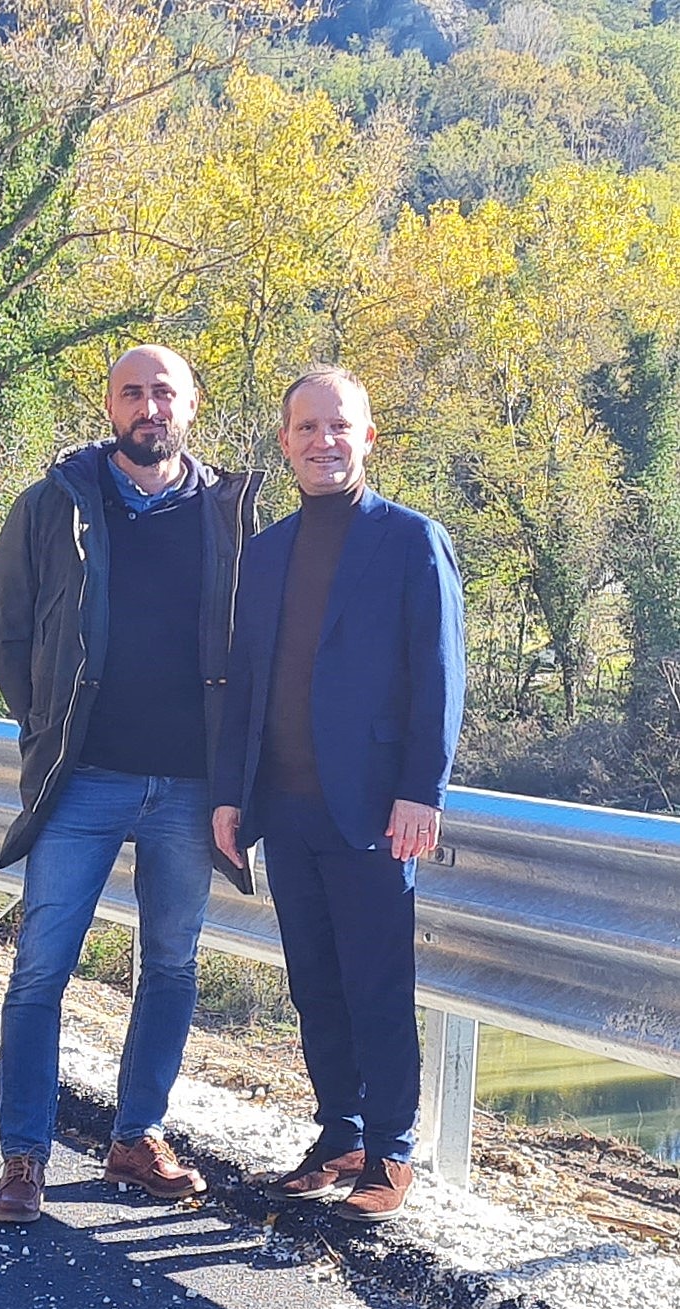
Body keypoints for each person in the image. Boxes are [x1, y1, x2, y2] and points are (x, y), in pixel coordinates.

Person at [0, 345, 261, 1224]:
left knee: (171, 967)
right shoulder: (53, 505)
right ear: (109, 405)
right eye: (133, 392)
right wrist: (48, 728)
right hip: (83, 780)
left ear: (191, 405)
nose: (149, 407)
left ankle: (136, 1138)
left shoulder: (228, 516)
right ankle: (23, 1154)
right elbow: (6, 633)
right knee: (40, 968)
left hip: (189, 784)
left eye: (164, 392)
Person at [211, 365, 466, 1224]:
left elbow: (438, 674)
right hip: (285, 809)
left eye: (339, 426)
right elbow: (246, 681)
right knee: (314, 984)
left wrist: (420, 791)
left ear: (368, 437)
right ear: (285, 441)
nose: (324, 441)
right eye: (307, 427)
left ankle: (391, 1151)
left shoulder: (409, 539)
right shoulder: (270, 549)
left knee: (376, 986)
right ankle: (341, 1135)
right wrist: (231, 792)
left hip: (372, 810)